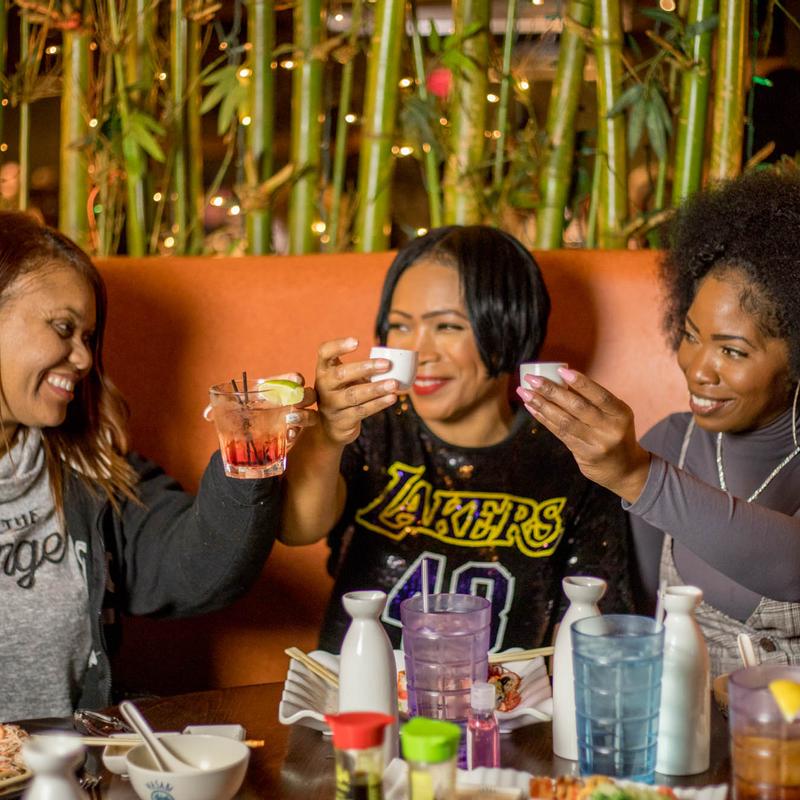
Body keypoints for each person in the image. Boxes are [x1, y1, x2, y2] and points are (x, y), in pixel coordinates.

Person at [0, 212, 314, 721]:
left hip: (67, 765)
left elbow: (197, 570)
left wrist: (248, 453)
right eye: (63, 328)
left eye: (88, 337)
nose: (83, 359)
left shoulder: (88, 474)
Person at [280, 225, 633, 653]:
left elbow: (591, 623)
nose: (419, 351)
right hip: (361, 685)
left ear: (508, 329)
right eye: (400, 326)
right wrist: (326, 435)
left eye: (446, 326)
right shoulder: (369, 428)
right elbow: (296, 529)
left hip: (503, 693)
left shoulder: (571, 459)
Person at [517, 170, 800, 677]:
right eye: (691, 336)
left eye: (733, 351)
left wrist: (637, 475)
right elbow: (628, 612)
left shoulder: (646, 463)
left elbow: (791, 568)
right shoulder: (670, 442)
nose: (698, 369)